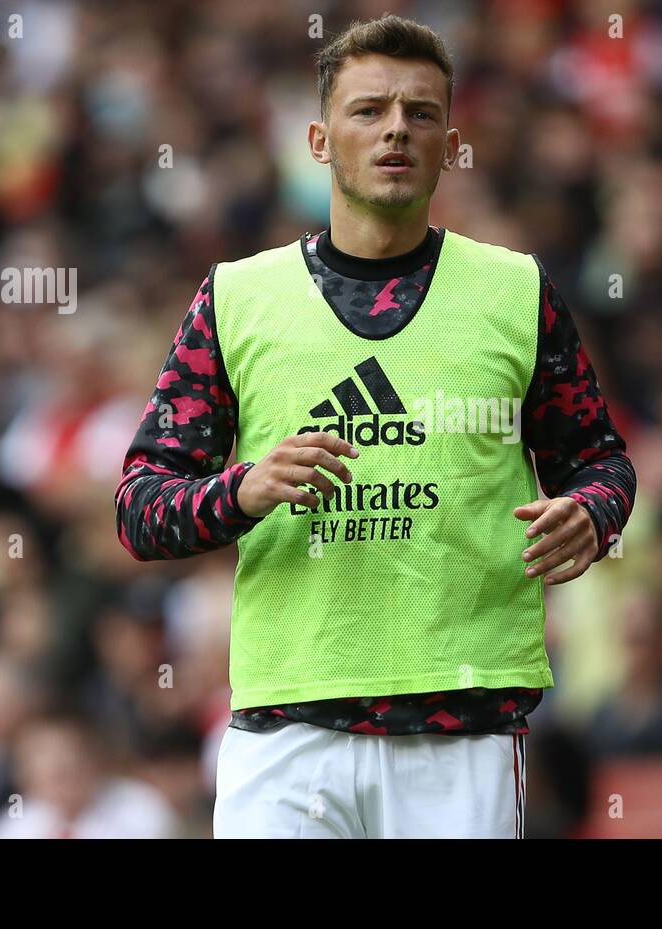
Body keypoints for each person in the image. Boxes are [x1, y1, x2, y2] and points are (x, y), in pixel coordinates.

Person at [114, 14, 635, 838]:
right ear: (320, 139)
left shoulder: (515, 291)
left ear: (449, 142)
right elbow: (141, 507)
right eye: (369, 110)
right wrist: (243, 490)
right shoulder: (238, 298)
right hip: (286, 724)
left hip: (461, 722)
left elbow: (601, 461)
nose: (396, 128)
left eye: (421, 113)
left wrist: (594, 512)